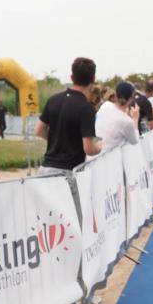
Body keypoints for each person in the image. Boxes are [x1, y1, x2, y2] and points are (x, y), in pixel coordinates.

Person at [35, 58, 100, 221]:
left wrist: (55, 140)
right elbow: (89, 148)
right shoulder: (86, 108)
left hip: (45, 169)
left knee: (47, 223)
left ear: (71, 77)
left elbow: (39, 130)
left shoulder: (53, 99)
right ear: (93, 79)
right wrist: (100, 145)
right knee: (74, 226)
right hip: (67, 175)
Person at [94, 81, 141, 152]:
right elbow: (135, 141)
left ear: (115, 94)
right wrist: (135, 119)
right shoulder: (127, 121)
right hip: (110, 159)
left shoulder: (105, 105)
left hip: (92, 156)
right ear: (131, 98)